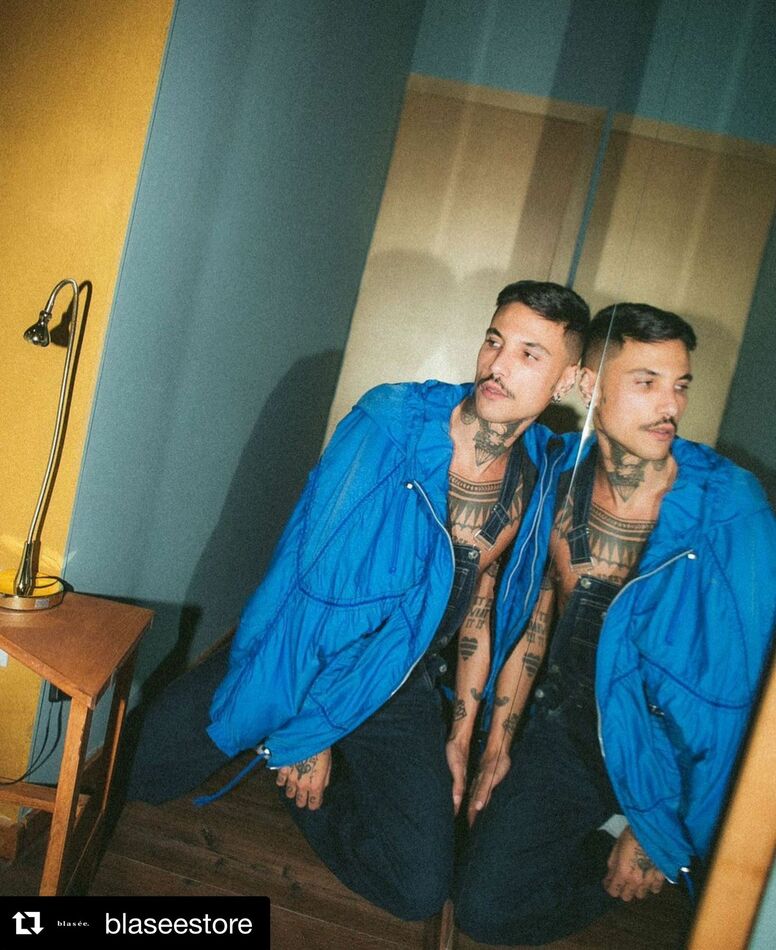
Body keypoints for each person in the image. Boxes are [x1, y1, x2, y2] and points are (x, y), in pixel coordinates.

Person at [201, 280, 590, 919]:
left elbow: (481, 611)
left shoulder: (535, 477)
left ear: (568, 378)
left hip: (403, 680)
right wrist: (310, 732)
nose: (497, 365)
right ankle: (283, 743)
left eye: (529, 354)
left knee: (418, 890)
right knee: (154, 764)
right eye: (494, 341)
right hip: (316, 653)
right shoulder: (392, 425)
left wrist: (461, 739)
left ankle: (306, 780)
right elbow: (313, 592)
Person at [453, 303, 776, 945]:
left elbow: (734, 705)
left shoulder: (729, 509)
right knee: (479, 907)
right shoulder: (559, 485)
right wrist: (497, 748)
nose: (670, 406)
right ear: (587, 384)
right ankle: (599, 843)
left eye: (680, 385)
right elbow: (536, 623)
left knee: (691, 884)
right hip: (571, 729)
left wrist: (658, 833)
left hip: (664, 747)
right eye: (646, 382)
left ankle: (641, 844)